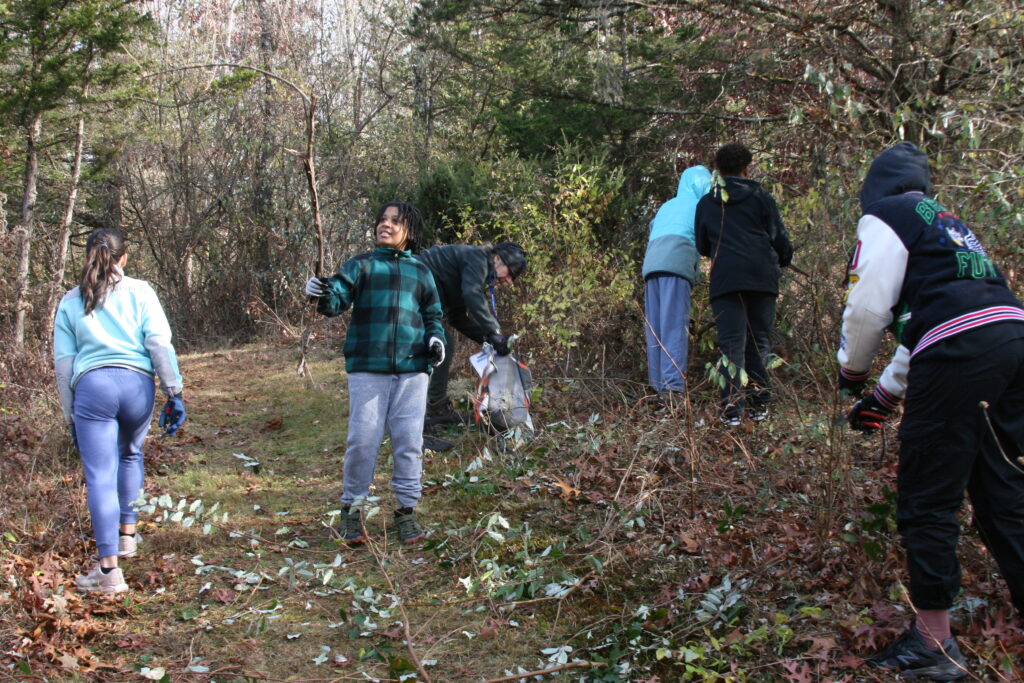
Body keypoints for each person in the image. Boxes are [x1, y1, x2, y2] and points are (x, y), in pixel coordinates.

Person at [837, 142, 1024, 681]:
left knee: (928, 495)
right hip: (1009, 339)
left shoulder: (884, 215)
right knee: (1003, 489)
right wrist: (884, 398)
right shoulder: (948, 223)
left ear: (875, 186)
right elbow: (939, 321)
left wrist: (852, 372)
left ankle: (933, 645)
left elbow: (869, 306)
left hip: (960, 346)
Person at [54, 228, 185, 595]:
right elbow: (159, 343)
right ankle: (128, 536)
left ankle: (109, 572)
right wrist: (174, 391)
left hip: (93, 390)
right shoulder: (141, 291)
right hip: (136, 387)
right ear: (124, 258)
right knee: (131, 455)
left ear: (87, 259)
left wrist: (70, 416)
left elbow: (64, 366)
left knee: (99, 475)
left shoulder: (70, 301)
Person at [305, 202, 445, 545]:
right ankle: (351, 513)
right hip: (368, 368)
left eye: (395, 221)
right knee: (363, 442)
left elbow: (434, 315)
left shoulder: (422, 272)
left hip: (414, 371)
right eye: (382, 220)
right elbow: (337, 297)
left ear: (409, 231)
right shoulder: (362, 265)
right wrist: (323, 292)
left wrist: (436, 339)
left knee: (409, 443)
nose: (386, 225)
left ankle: (406, 513)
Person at [695, 143, 793, 426]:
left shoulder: (707, 202)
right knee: (759, 342)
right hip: (762, 276)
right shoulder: (760, 196)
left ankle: (732, 412)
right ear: (747, 168)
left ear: (718, 170)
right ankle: (760, 406)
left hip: (726, 279)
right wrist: (784, 258)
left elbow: (703, 246)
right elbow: (779, 237)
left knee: (731, 346)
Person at [414, 242, 527, 425]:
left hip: (418, 293)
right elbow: (472, 295)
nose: (509, 281)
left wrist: (488, 339)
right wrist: (494, 331)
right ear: (497, 258)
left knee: (444, 344)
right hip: (410, 287)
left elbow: (456, 317)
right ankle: (423, 414)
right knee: (439, 344)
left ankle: (433, 407)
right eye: (511, 272)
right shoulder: (477, 258)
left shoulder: (471, 272)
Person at [642, 164, 711, 399]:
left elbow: (653, 229)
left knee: (656, 329)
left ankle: (657, 386)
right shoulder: (701, 206)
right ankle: (672, 391)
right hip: (676, 265)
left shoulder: (666, 206)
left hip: (651, 266)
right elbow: (707, 240)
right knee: (673, 327)